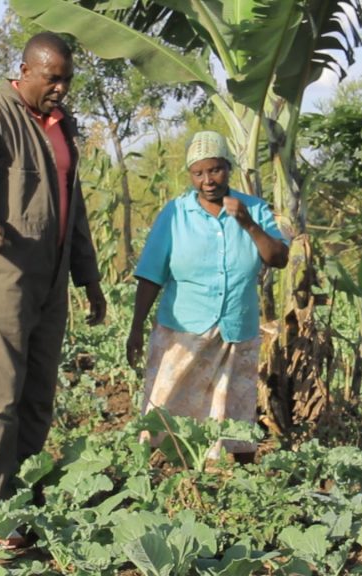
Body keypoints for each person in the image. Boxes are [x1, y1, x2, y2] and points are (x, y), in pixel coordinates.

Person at [0, 32, 106, 520]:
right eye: (52, 78)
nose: (61, 88)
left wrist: (89, 279)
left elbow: (71, 210)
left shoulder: (61, 126)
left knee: (38, 395)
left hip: (50, 282)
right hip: (2, 280)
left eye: (67, 79)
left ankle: (22, 494)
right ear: (25, 69)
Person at [126, 130, 289, 464]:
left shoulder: (254, 209)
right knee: (166, 407)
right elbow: (150, 275)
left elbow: (279, 258)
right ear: (190, 176)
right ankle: (160, 472)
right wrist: (135, 327)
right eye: (198, 173)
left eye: (214, 170)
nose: (208, 180)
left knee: (234, 410)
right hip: (183, 331)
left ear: (227, 168)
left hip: (236, 328)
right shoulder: (175, 213)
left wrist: (246, 222)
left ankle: (242, 477)